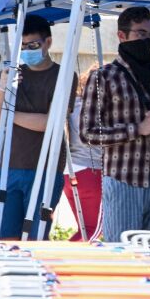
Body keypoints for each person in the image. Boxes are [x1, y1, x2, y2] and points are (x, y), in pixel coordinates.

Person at [80, 6, 150, 242]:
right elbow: (88, 133)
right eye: (140, 34)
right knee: (123, 252)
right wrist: (138, 129)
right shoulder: (102, 77)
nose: (146, 41)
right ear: (122, 36)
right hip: (122, 180)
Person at [0, 15, 75, 239]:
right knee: (4, 240)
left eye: (33, 45)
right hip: (8, 168)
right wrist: (3, 87)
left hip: (45, 170)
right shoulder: (12, 74)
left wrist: (10, 115)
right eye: (22, 46)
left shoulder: (63, 75)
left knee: (35, 239)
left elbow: (49, 123)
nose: (27, 50)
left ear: (48, 42)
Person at [63, 64, 104, 241]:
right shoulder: (100, 108)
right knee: (93, 230)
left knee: (86, 229)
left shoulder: (74, 104)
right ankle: (60, 261)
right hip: (91, 172)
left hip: (71, 173)